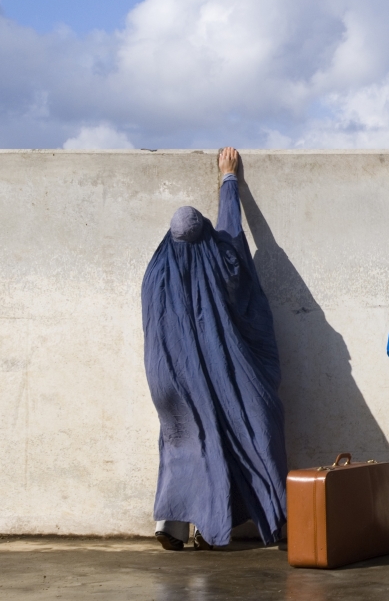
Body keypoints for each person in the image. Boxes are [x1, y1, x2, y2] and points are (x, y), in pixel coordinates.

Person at [142, 147, 287, 551]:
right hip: (228, 375)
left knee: (185, 442)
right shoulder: (223, 261)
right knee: (253, 427)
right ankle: (218, 527)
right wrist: (228, 181)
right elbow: (233, 235)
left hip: (171, 380)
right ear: (205, 232)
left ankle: (172, 526)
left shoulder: (157, 271)